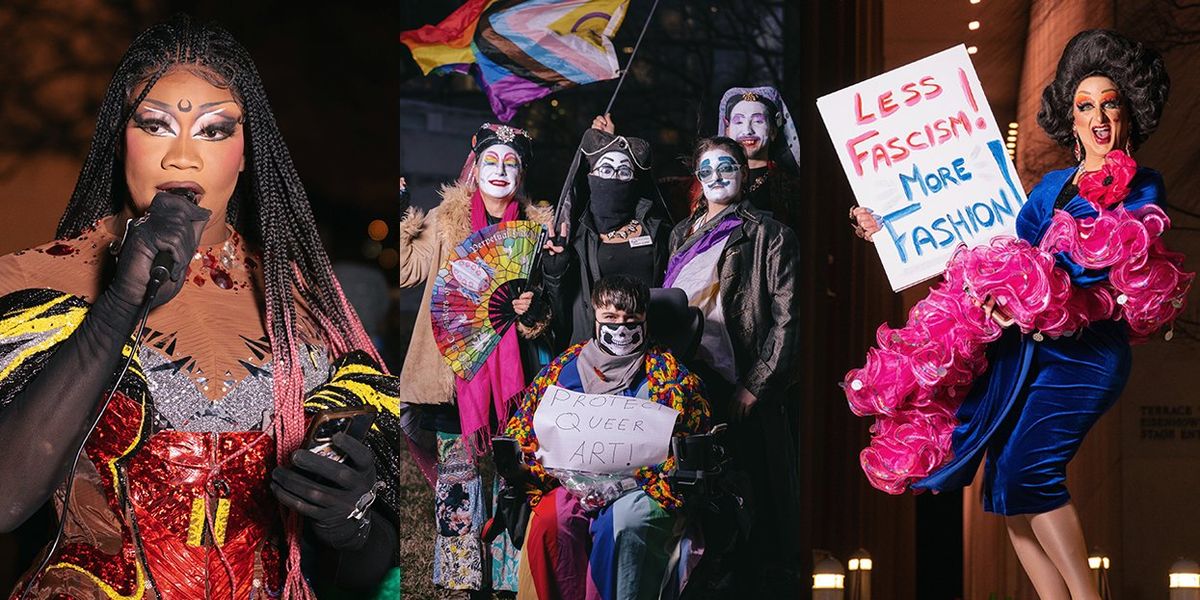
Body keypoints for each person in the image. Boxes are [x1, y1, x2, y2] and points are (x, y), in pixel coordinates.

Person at [0, 15, 404, 598]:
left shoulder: (302, 308)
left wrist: (349, 526)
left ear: (245, 153)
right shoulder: (43, 279)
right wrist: (119, 306)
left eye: (215, 130)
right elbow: (8, 498)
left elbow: (362, 573)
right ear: (123, 140)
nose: (183, 157)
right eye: (157, 125)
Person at [853, 29, 1173, 599]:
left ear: (1128, 113)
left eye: (1111, 104)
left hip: (1084, 355)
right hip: (1025, 352)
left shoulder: (1139, 188)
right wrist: (890, 227)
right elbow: (980, 243)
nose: (1099, 117)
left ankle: (1086, 597)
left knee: (1030, 473)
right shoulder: (1050, 185)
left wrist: (1029, 292)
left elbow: (1100, 268)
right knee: (1001, 486)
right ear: (1070, 121)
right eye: (1085, 106)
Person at [397, 122, 552, 592]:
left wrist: (532, 310)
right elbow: (406, 270)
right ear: (475, 167)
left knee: (513, 480)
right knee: (459, 480)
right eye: (492, 161)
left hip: (515, 381)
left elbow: (547, 310)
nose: (500, 171)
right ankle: (463, 576)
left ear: (522, 174)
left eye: (511, 163)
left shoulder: (537, 231)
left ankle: (507, 578)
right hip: (452, 375)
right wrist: (401, 211)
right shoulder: (447, 221)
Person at [503, 274, 710, 600]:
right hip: (571, 483)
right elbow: (524, 425)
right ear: (595, 315)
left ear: (645, 320)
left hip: (641, 486)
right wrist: (531, 460)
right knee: (549, 523)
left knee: (620, 526)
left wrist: (634, 480)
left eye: (631, 319)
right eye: (610, 318)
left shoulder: (670, 376)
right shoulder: (564, 368)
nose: (621, 327)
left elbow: (692, 438)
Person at [664, 137, 802, 595]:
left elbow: (786, 320)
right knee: (696, 505)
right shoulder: (680, 232)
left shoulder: (770, 233)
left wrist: (756, 384)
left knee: (749, 506)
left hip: (738, 383)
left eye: (727, 166)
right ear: (698, 180)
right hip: (687, 379)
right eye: (707, 169)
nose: (718, 176)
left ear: (744, 173)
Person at [543, 114, 672, 348]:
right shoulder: (575, 236)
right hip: (589, 351)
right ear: (590, 177)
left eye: (623, 172)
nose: (614, 178)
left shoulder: (656, 231)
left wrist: (610, 141)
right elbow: (558, 308)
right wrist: (555, 272)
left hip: (651, 348)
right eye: (605, 170)